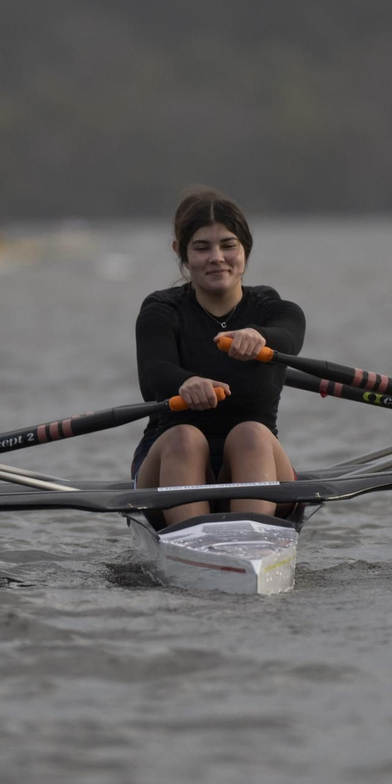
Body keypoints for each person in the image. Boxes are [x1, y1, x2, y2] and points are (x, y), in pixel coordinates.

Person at [131, 187, 305, 528]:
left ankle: (251, 543)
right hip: (169, 470)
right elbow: (152, 375)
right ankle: (193, 542)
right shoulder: (161, 312)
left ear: (245, 249)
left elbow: (290, 333)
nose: (217, 257)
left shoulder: (273, 310)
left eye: (228, 245)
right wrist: (185, 382)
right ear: (179, 251)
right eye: (202, 247)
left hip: (253, 463)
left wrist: (260, 336)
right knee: (185, 437)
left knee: (251, 434)